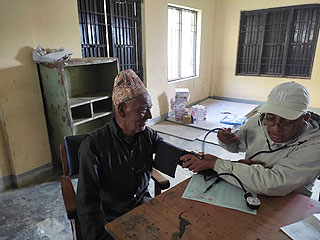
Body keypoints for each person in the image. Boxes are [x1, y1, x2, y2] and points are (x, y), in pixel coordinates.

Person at [76, 69, 186, 239]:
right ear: (121, 110)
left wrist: (192, 159)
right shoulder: (93, 146)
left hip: (142, 205)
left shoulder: (146, 135)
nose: (149, 116)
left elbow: (164, 149)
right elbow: (88, 202)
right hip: (111, 215)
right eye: (143, 110)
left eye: (149, 109)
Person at [181, 81, 320, 197]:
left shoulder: (314, 145)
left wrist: (217, 164)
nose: (276, 128)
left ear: (305, 118)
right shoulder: (258, 121)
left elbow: (274, 183)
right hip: (248, 185)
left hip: (289, 202)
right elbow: (237, 146)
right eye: (271, 118)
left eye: (287, 122)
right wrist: (227, 140)